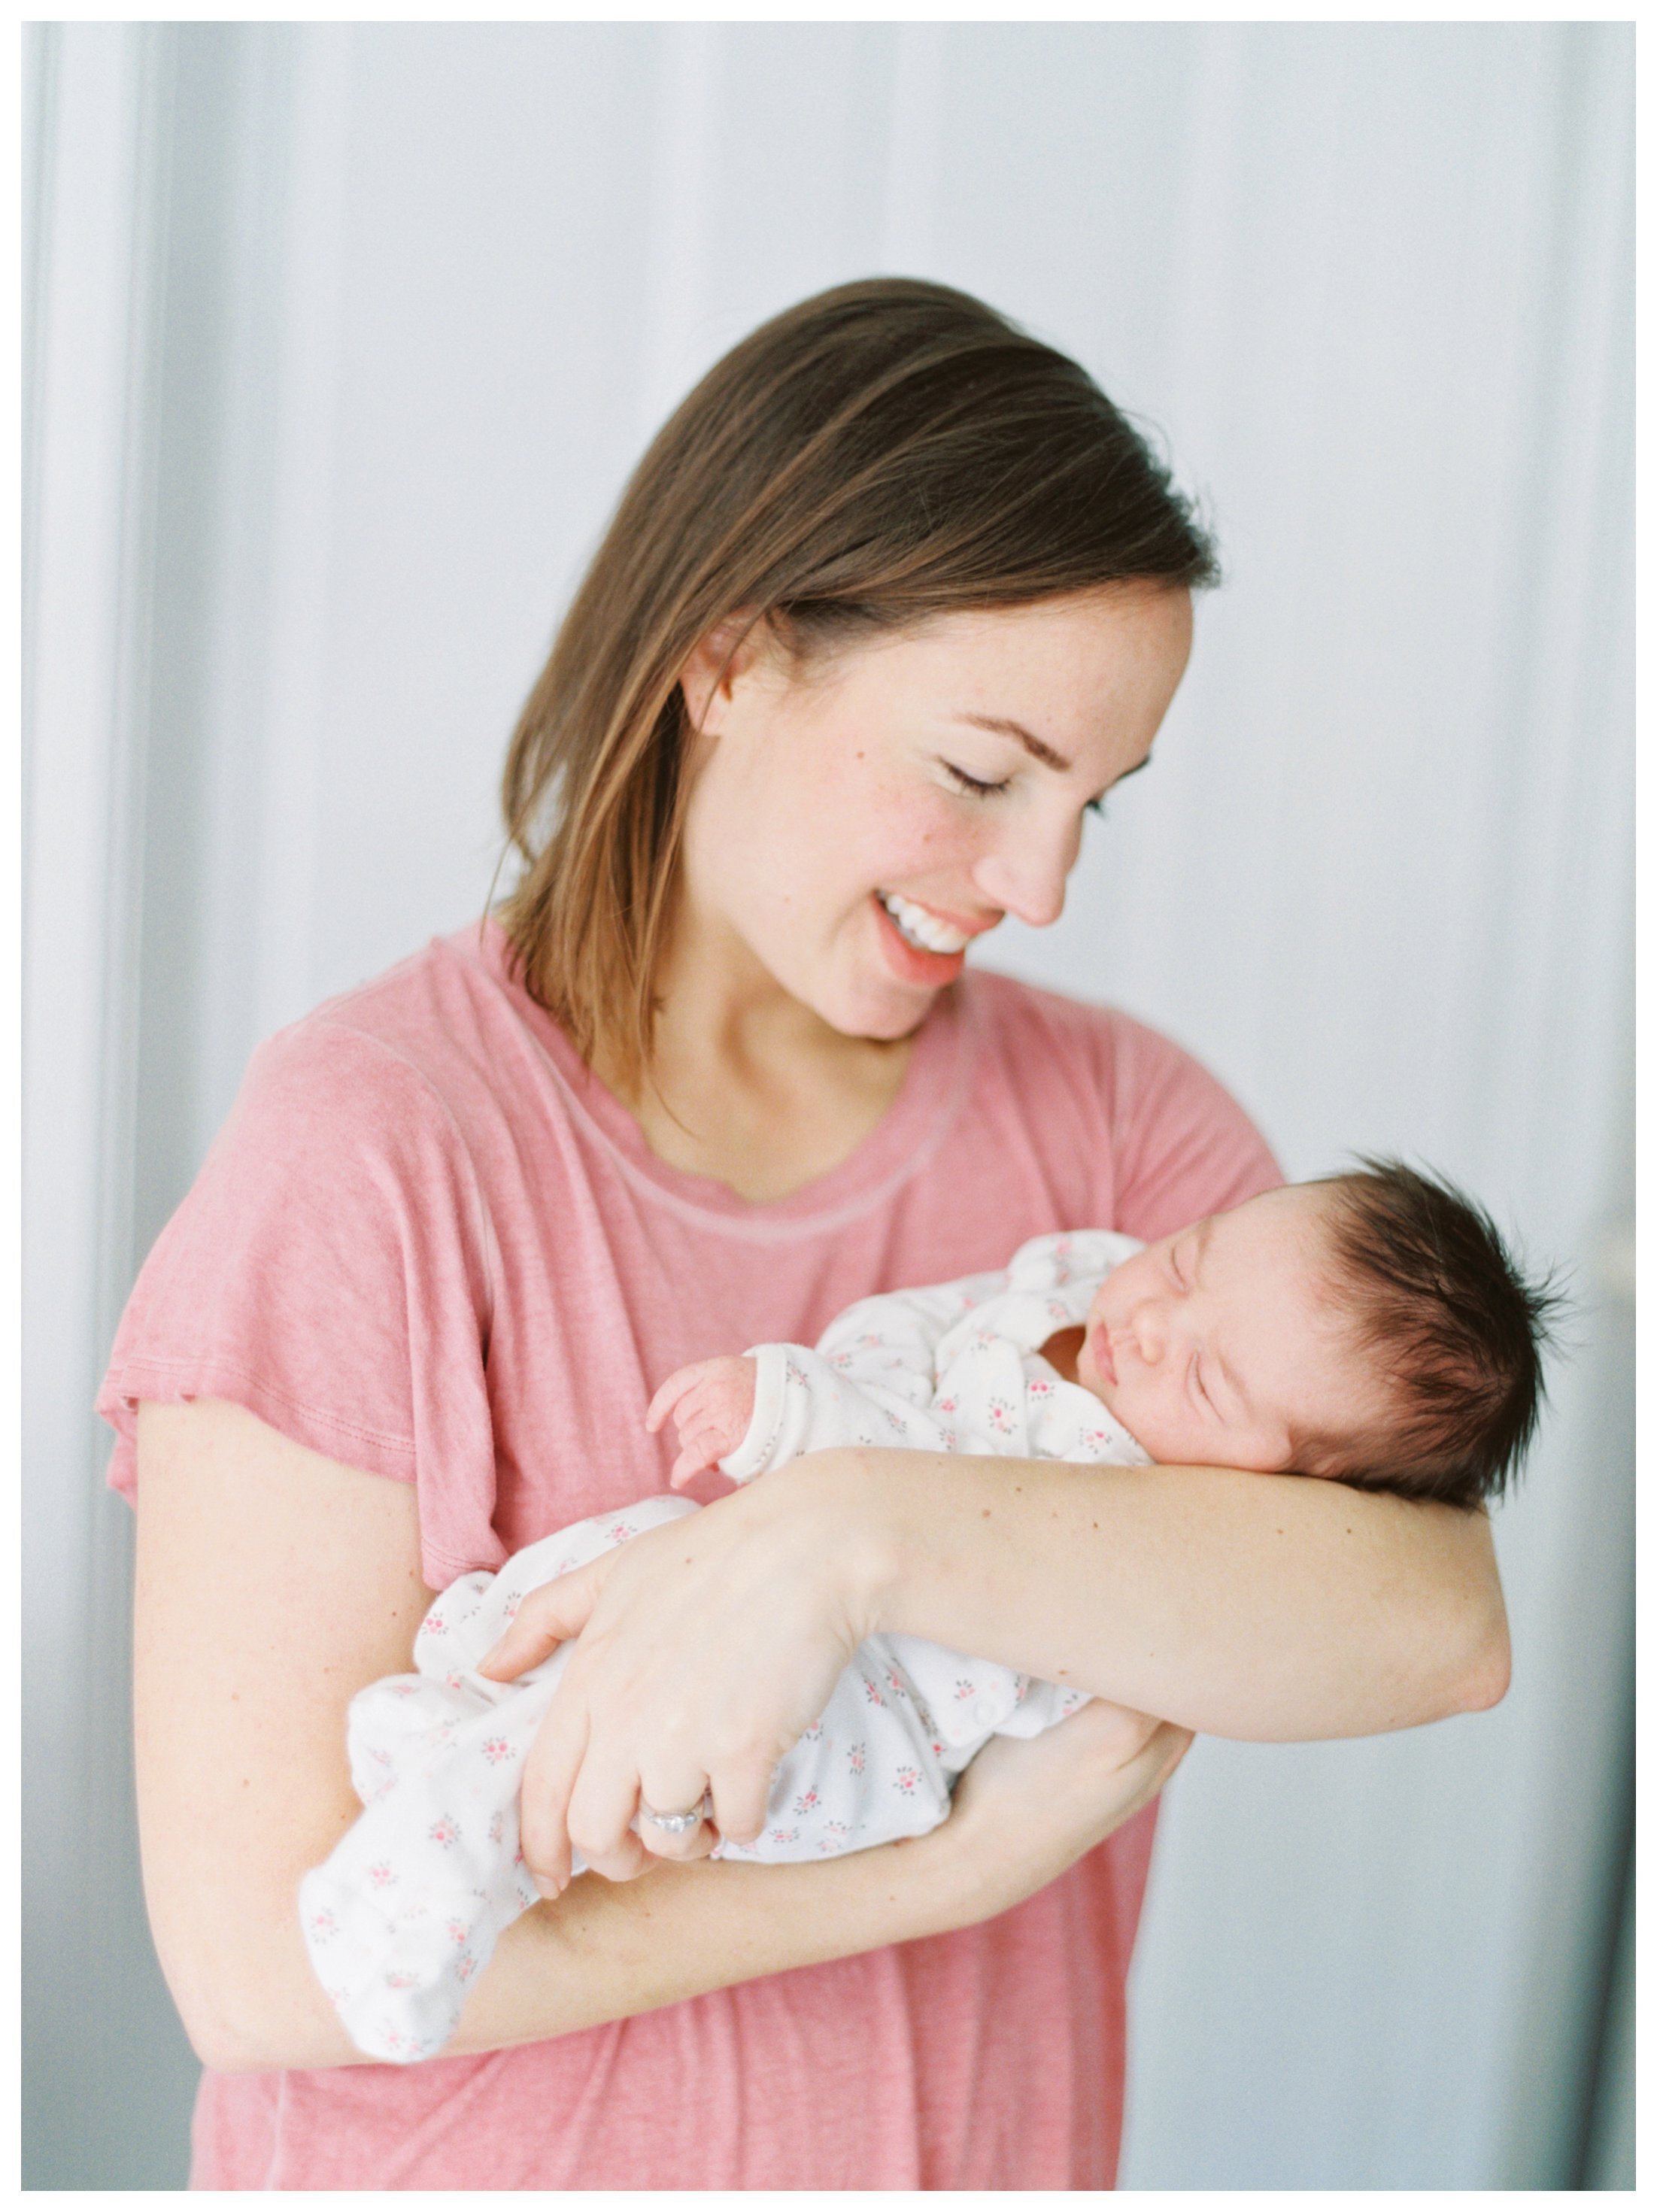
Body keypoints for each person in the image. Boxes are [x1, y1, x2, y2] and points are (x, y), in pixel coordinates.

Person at [106, 278, 1510, 2189]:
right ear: (730, 658)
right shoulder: (374, 1146)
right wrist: (940, 1872)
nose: (1038, 882)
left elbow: (1431, 1625)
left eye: (1093, 801)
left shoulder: (1123, 1143)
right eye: (980, 771)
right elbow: (262, 1968)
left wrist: (842, 1543)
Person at [300, 1163, 1550, 2068]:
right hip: (785, 1596)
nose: (1153, 1319)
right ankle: (460, 1711)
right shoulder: (1077, 1281)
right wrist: (814, 1414)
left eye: (1208, 1377)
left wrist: (799, 1428)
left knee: (637, 1720)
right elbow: (909, 1352)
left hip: (865, 1727)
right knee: (644, 1571)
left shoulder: (1145, 1495)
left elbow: (1454, 1631)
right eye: (1190, 1253)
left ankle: (434, 1878)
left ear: (1291, 1492)